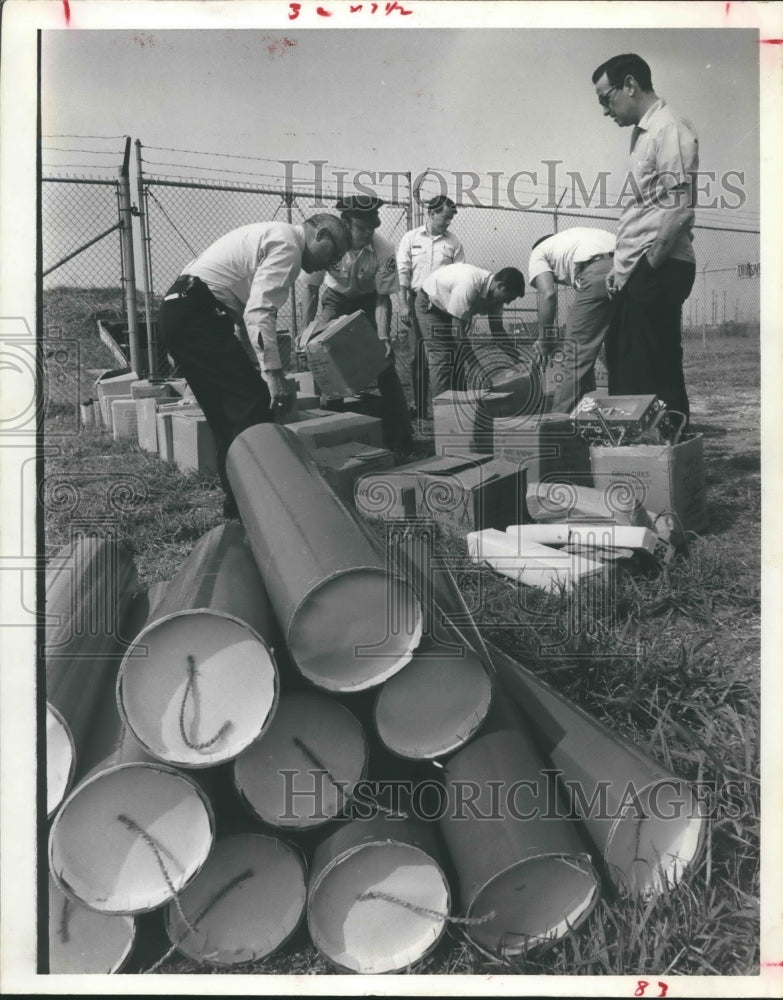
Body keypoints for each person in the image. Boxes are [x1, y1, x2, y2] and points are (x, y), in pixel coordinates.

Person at [157, 213, 351, 518]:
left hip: (180, 310)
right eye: (334, 254)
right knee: (253, 405)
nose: (330, 265)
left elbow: (243, 313)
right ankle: (259, 503)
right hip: (199, 315)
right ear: (320, 234)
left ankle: (238, 505)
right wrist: (273, 374)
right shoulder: (289, 246)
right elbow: (260, 312)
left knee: (225, 415)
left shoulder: (270, 234)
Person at [592, 52, 698, 420]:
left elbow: (681, 206)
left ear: (631, 85)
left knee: (649, 365)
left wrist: (649, 263)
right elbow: (645, 209)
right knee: (624, 358)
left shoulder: (669, 127)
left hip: (659, 265)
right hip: (638, 267)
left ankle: (658, 452)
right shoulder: (643, 135)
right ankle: (634, 452)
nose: (606, 110)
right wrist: (621, 267)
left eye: (607, 99)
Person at [302, 195, 413, 451]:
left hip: (369, 300)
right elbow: (310, 291)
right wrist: (307, 332)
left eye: (372, 228)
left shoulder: (384, 248)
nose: (368, 234)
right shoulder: (327, 244)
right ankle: (334, 437)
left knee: (384, 362)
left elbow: (383, 299)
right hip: (336, 299)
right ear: (346, 223)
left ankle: (403, 438)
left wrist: (384, 338)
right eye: (362, 228)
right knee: (326, 358)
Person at [528, 227, 617, 414]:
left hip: (598, 270)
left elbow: (548, 294)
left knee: (575, 351)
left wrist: (545, 340)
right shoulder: (573, 240)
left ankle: (557, 423)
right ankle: (628, 410)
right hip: (630, 266)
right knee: (619, 347)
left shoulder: (538, 252)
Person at [415, 262, 526, 402]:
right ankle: (442, 415)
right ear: (500, 286)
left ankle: (461, 411)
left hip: (451, 309)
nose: (508, 303)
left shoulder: (496, 296)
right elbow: (457, 331)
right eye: (509, 298)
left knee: (460, 362)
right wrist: (477, 368)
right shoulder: (469, 284)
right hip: (431, 306)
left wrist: (517, 358)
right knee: (443, 359)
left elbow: (497, 330)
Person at [396, 195, 465, 419]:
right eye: (444, 217)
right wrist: (403, 304)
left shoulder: (453, 242)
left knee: (447, 357)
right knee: (419, 356)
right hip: (417, 301)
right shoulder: (411, 238)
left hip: (444, 307)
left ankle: (450, 407)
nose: (447, 223)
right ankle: (421, 408)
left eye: (450, 219)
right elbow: (402, 272)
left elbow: (460, 275)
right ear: (431, 213)